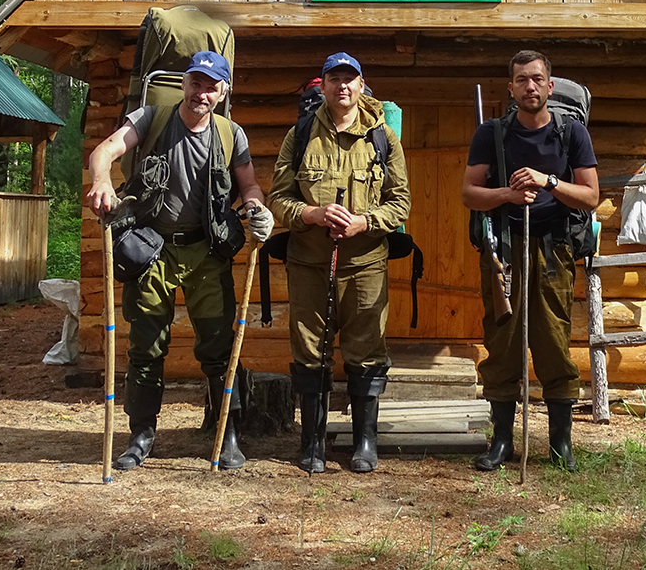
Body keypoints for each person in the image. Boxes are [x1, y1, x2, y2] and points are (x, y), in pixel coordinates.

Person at [85, 50, 269, 472]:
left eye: (211, 86)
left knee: (220, 348)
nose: (201, 93)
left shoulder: (230, 134)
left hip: (207, 252)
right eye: (196, 82)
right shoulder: (151, 118)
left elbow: (249, 186)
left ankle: (228, 433)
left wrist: (259, 210)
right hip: (152, 250)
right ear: (184, 83)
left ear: (223, 92)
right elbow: (105, 150)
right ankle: (141, 434)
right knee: (146, 347)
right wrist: (101, 182)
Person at [268, 52, 411, 473]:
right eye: (334, 79)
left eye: (350, 79)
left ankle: (365, 440)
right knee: (309, 348)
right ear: (324, 85)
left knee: (366, 347)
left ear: (361, 85)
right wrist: (310, 214)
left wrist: (364, 221)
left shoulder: (383, 137)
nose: (342, 86)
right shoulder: (300, 135)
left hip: (365, 261)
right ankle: (312, 441)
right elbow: (278, 197)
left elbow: (400, 202)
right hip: (310, 261)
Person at [461, 50, 599, 472]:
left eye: (537, 79)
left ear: (550, 85)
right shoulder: (492, 133)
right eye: (522, 80)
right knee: (502, 342)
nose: (530, 87)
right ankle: (501, 441)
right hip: (503, 248)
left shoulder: (570, 132)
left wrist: (549, 182)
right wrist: (505, 194)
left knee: (554, 341)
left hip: (553, 248)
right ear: (511, 88)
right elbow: (469, 193)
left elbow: (591, 196)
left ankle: (560, 444)